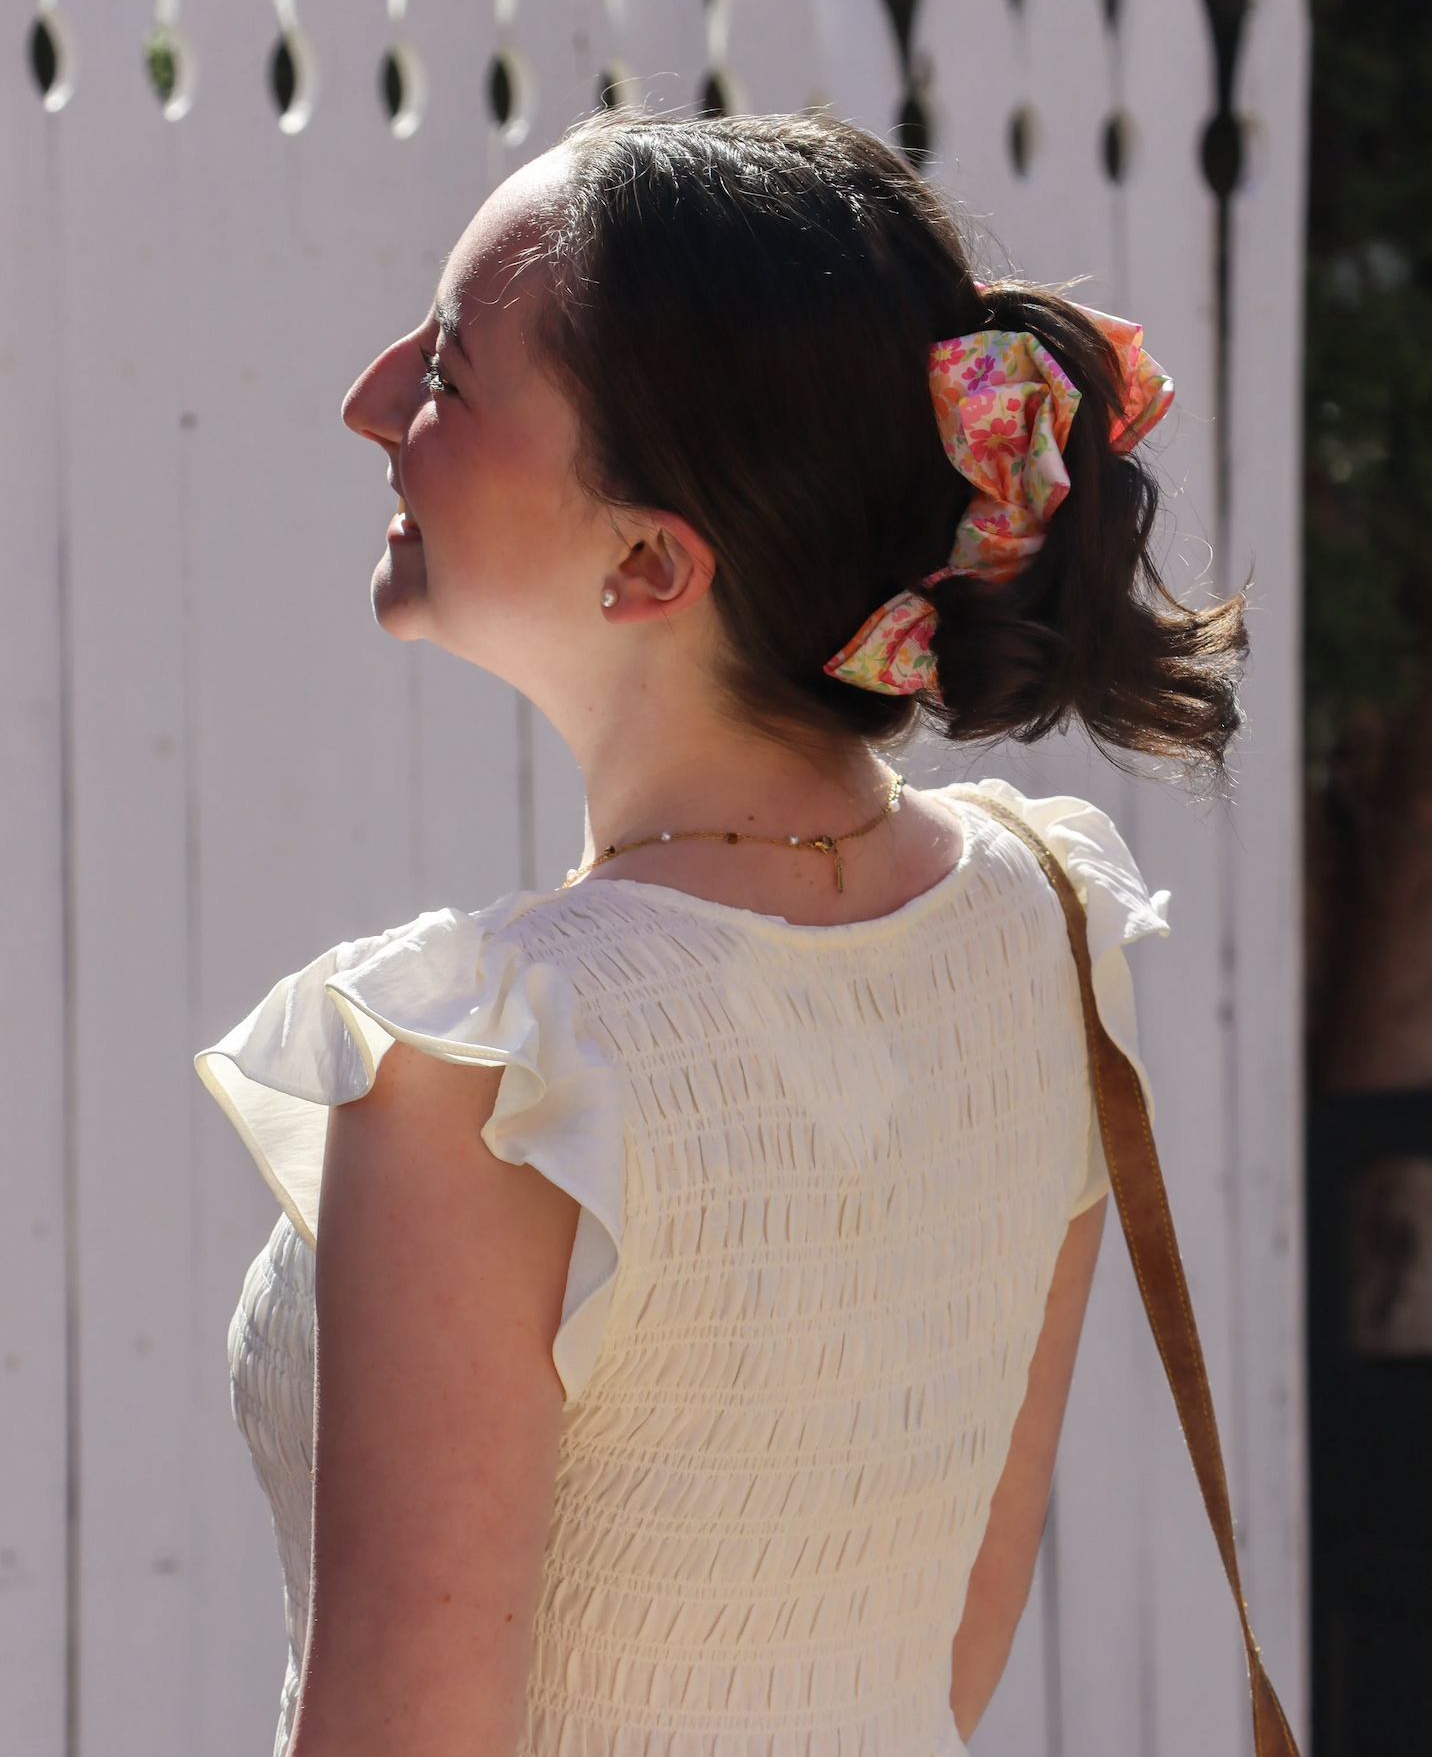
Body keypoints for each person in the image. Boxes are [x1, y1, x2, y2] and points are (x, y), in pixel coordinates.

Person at [199, 113, 1244, 1757]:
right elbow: (946, 1657)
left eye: (454, 374)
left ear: (648, 562)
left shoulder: (485, 1072)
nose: (372, 401)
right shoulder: (1042, 924)